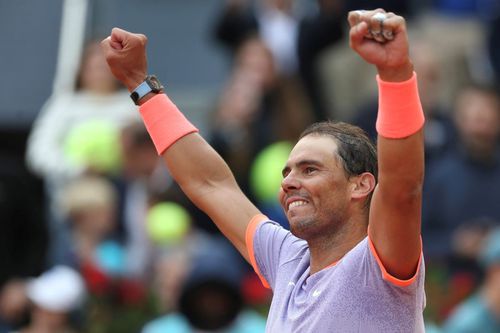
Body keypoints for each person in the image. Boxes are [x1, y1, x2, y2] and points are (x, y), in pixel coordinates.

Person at [101, 8, 425, 332]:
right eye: (287, 173)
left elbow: (401, 188)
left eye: (310, 169)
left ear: (361, 185)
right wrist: (138, 82)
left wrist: (395, 73)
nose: (289, 183)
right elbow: (210, 183)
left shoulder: (380, 258)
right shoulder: (286, 259)